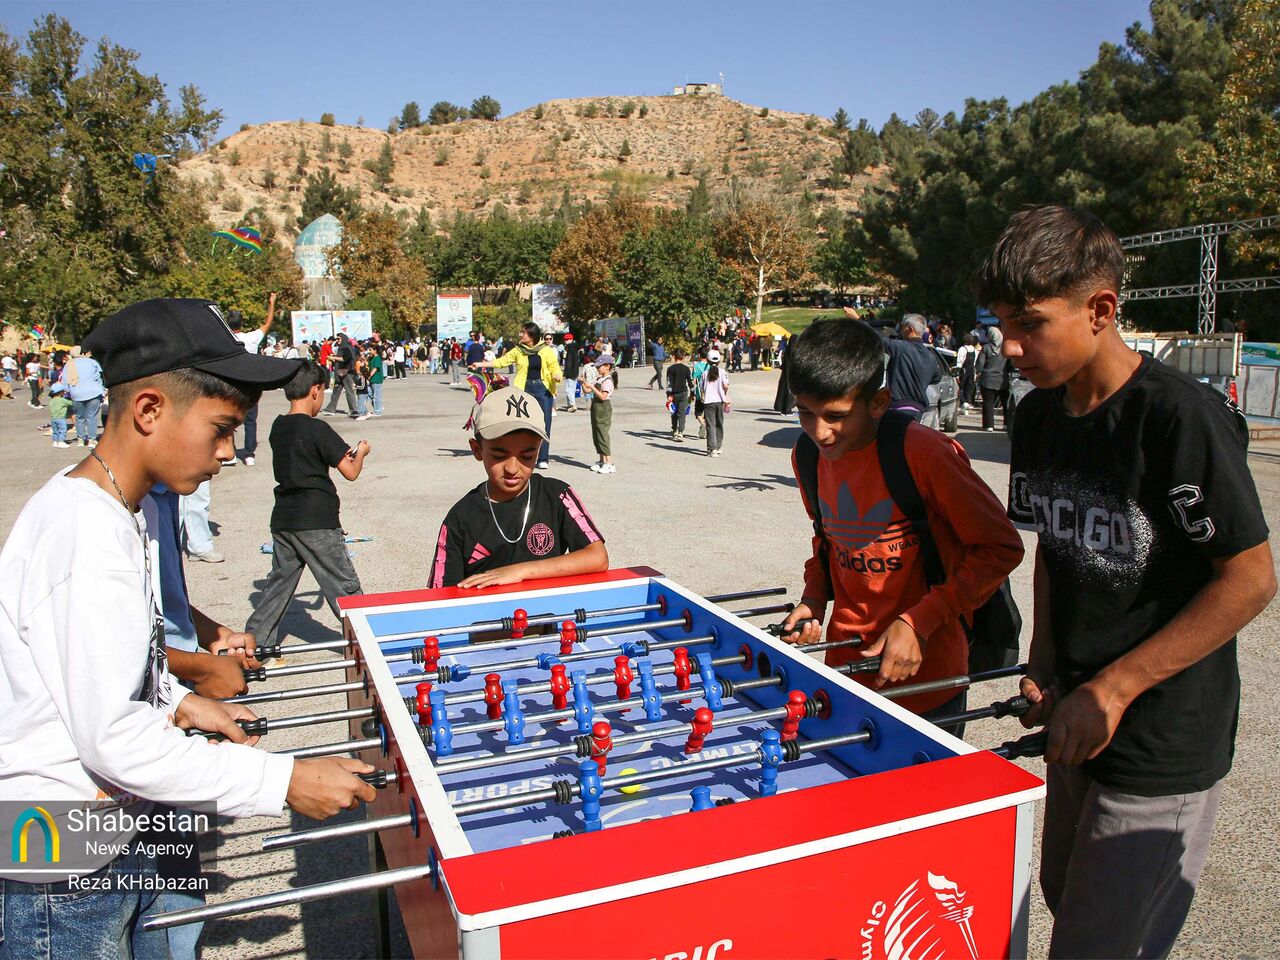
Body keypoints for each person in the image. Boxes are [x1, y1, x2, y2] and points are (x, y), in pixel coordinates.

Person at [0, 298, 376, 957]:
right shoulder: (85, 536)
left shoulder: (127, 508)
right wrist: (280, 781)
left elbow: (109, 665)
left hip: (111, 830)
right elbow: (114, 739)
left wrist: (177, 700)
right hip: (61, 858)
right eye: (221, 428)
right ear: (148, 411)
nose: (229, 453)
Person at [976, 205, 1275, 959]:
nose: (1009, 346)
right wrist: (1045, 659)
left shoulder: (1180, 420)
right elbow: (1053, 543)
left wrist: (1114, 689)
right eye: (1000, 323)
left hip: (1158, 734)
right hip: (1076, 711)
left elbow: (1249, 579)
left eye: (1030, 324)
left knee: (1099, 943)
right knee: (1064, 898)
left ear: (1101, 310)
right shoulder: (1039, 416)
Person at [777, 319, 1023, 721]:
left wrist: (919, 621)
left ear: (878, 402)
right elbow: (827, 539)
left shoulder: (926, 454)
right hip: (845, 672)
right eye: (805, 412)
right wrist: (814, 598)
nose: (819, 432)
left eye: (836, 415)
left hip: (929, 676)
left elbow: (1001, 548)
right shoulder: (807, 455)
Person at [244, 360, 370, 649]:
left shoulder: (278, 427)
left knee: (278, 585)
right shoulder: (317, 429)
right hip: (317, 519)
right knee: (343, 585)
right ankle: (369, 641)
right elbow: (350, 471)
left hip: (285, 520)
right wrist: (361, 451)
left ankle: (254, 643)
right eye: (323, 391)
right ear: (315, 390)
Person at [429, 386, 607, 588]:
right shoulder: (460, 518)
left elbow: (597, 557)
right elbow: (441, 595)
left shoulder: (558, 495)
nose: (513, 468)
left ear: (539, 448)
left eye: (527, 456)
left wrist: (521, 571)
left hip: (544, 617)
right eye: (499, 455)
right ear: (477, 450)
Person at [470, 322, 562, 469]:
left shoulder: (546, 350)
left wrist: (557, 376)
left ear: (532, 335)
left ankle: (543, 458)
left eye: (523, 333)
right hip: (524, 388)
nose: (521, 335)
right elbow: (502, 362)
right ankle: (523, 453)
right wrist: (480, 365)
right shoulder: (518, 350)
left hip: (543, 389)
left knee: (544, 424)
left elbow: (554, 367)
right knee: (522, 422)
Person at [226, 296, 276, 465]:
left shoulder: (225, 340)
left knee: (229, 419)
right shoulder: (252, 338)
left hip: (231, 383)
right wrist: (272, 304)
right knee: (250, 420)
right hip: (251, 383)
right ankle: (249, 454)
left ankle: (230, 453)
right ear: (242, 323)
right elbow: (267, 323)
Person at [975, 326, 1009, 431]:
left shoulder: (986, 348)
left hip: (987, 380)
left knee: (988, 403)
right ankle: (1006, 424)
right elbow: (1011, 364)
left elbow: (979, 364)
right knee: (1005, 403)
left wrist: (978, 372)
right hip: (1003, 379)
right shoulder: (1005, 348)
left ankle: (989, 425)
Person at [700, 349, 730, 457]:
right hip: (719, 401)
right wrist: (725, 394)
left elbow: (702, 388)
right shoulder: (722, 372)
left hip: (708, 402)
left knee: (710, 425)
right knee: (719, 424)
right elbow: (726, 385)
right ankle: (718, 446)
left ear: (707, 361)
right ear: (719, 361)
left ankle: (712, 449)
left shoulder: (705, 374)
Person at [589, 356, 616, 473]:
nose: (598, 369)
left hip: (603, 408)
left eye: (600, 367)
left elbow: (603, 396)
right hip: (595, 408)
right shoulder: (599, 379)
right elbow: (587, 391)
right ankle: (601, 461)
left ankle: (610, 463)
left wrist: (592, 388)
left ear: (607, 366)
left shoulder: (608, 381)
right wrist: (584, 383)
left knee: (603, 434)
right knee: (596, 434)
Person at [323, 332, 359, 417]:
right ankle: (330, 409)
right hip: (340, 372)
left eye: (339, 339)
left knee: (349, 391)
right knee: (336, 391)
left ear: (343, 339)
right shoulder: (342, 347)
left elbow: (346, 358)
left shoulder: (346, 347)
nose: (337, 340)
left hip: (346, 372)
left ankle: (354, 410)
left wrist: (333, 358)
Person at [666, 348, 693, 441]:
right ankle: (681, 432)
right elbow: (690, 382)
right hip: (684, 393)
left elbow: (669, 383)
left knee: (674, 413)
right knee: (682, 413)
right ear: (683, 357)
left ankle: (674, 431)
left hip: (674, 394)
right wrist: (693, 393)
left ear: (674, 356)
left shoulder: (670, 369)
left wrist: (669, 394)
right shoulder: (686, 369)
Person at [956, 333, 980, 412]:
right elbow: (975, 362)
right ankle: (968, 401)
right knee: (969, 387)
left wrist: (957, 374)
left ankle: (963, 402)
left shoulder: (962, 349)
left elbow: (960, 362)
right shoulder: (974, 350)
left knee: (961, 386)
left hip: (964, 370)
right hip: (972, 370)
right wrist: (975, 374)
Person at [560, 333, 582, 412]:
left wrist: (565, 373)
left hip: (570, 372)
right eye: (565, 339)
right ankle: (570, 404)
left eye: (567, 339)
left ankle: (573, 405)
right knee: (572, 389)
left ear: (571, 340)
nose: (566, 341)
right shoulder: (575, 348)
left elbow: (568, 362)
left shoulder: (570, 349)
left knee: (569, 390)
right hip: (575, 371)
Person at [48, 381, 72, 448]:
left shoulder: (52, 400)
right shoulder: (62, 400)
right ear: (60, 392)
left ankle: (55, 441)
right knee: (62, 430)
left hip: (53, 418)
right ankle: (61, 442)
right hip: (61, 418)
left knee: (55, 431)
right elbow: (70, 403)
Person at [366, 340, 386, 417]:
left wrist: (369, 376)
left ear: (375, 350)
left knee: (377, 395)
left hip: (376, 379)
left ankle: (378, 411)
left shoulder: (377, 358)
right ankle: (378, 407)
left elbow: (375, 369)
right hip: (372, 379)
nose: (369, 351)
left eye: (371, 350)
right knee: (369, 394)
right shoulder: (372, 358)